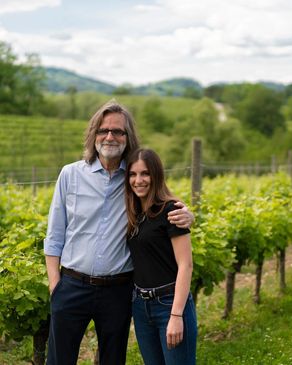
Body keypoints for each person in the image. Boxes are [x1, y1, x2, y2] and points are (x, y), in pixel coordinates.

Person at [44, 100, 193, 365]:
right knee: (59, 360)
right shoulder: (70, 175)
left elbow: (161, 204)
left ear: (128, 137)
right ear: (94, 135)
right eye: (103, 130)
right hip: (71, 286)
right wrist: (56, 287)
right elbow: (54, 236)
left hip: (117, 292)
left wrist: (189, 215)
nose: (110, 136)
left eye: (118, 131)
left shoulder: (134, 179)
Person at [125, 148, 197, 365]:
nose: (138, 180)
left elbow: (186, 265)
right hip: (140, 306)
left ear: (156, 175)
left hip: (169, 304)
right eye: (133, 174)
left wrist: (176, 316)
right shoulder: (134, 213)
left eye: (145, 173)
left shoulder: (171, 210)